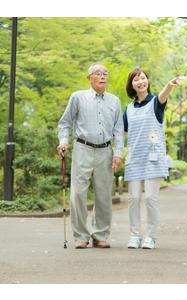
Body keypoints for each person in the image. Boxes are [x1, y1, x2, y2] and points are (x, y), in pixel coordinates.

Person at [57, 63, 124, 249]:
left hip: (105, 151)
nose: (102, 76)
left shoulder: (115, 101)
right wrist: (63, 141)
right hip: (83, 148)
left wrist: (118, 153)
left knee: (103, 195)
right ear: (89, 78)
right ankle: (80, 236)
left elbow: (119, 131)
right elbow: (65, 123)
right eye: (98, 73)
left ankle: (100, 234)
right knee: (78, 193)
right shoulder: (78, 97)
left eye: (105, 73)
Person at [123, 68, 180, 249]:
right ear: (131, 85)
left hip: (153, 158)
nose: (140, 82)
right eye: (136, 80)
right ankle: (134, 235)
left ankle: (151, 236)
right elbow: (120, 131)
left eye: (143, 78)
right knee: (133, 198)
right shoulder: (129, 109)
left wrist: (169, 86)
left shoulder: (156, 102)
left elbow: (163, 95)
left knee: (150, 198)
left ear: (147, 81)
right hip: (134, 158)